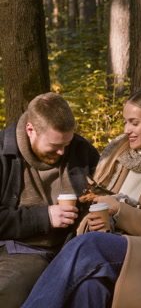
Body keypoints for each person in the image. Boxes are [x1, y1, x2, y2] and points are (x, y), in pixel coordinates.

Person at [21, 89, 141, 308]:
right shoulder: (118, 155)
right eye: (125, 122)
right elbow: (98, 203)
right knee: (90, 287)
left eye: (134, 123)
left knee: (88, 244)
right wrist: (100, 221)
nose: (126, 130)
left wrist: (119, 212)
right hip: (113, 246)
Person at [0, 92, 100, 308]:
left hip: (68, 250)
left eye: (67, 143)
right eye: (54, 145)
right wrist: (43, 217)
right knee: (6, 289)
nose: (62, 151)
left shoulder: (82, 152)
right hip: (17, 248)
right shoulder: (2, 154)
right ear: (30, 130)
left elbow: (105, 196)